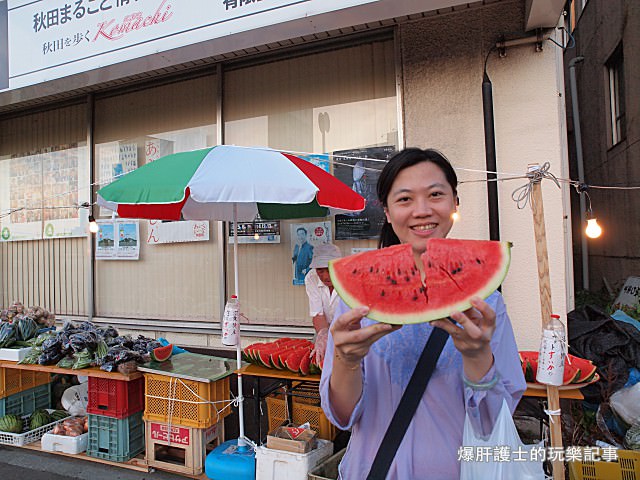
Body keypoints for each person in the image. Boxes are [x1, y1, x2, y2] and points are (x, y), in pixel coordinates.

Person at [319, 148, 526, 479]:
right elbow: (342, 417)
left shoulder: (487, 306)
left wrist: (476, 357)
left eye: (435, 195)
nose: (422, 210)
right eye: (404, 199)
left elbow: (493, 425)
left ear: (454, 203)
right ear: (386, 212)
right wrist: (346, 360)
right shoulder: (356, 303)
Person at [305, 243, 342, 365]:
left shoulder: (351, 277)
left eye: (330, 269)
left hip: (350, 330)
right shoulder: (311, 277)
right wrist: (323, 334)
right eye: (320, 270)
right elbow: (317, 313)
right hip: (323, 327)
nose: (325, 276)